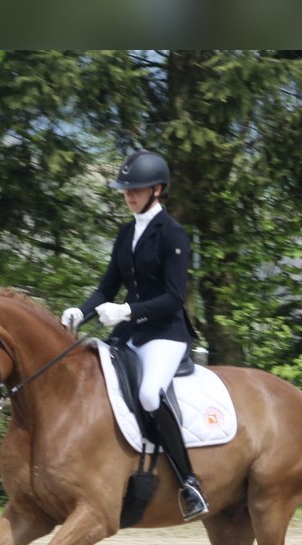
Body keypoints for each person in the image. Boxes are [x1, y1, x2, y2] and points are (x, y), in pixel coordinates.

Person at [61, 150, 208, 521]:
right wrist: (83, 310)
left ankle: (189, 482)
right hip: (130, 332)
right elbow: (108, 286)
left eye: (136, 189)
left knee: (148, 393)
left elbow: (174, 296)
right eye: (125, 189)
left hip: (166, 334)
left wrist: (127, 311)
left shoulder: (173, 234)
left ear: (157, 189)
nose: (129, 195)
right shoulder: (126, 232)